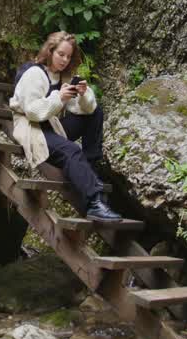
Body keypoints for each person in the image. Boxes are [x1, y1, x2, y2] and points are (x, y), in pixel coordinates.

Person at [8, 31, 122, 222]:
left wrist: (83, 94)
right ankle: (94, 203)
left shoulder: (64, 77)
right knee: (71, 150)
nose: (64, 60)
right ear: (50, 51)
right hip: (32, 128)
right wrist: (59, 97)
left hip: (51, 126)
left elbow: (86, 109)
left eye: (68, 56)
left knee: (96, 113)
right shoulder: (35, 73)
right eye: (61, 54)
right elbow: (32, 111)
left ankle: (89, 169)